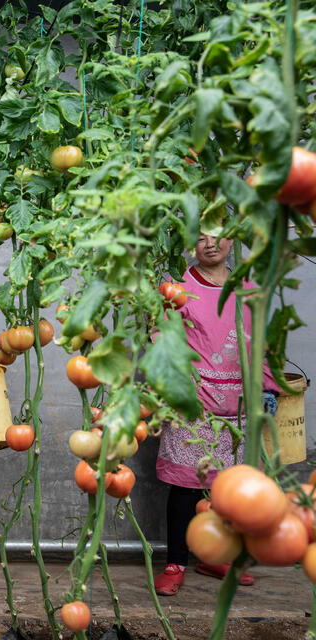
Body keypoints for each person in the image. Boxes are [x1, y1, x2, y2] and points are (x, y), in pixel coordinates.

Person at [153, 233, 280, 596]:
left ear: (232, 238)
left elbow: (260, 341)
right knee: (186, 487)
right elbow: (162, 339)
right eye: (200, 237)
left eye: (218, 236)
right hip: (192, 401)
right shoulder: (178, 286)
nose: (210, 244)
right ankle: (176, 562)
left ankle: (216, 555)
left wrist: (267, 387)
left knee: (228, 488)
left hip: (237, 404)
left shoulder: (248, 288)